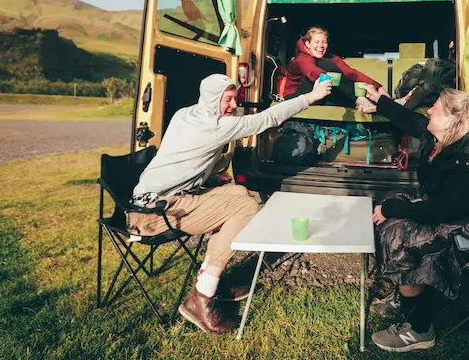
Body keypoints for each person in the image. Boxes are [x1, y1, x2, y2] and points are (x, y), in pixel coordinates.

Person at [127, 73, 331, 334]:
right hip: (153, 216)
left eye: (235, 98)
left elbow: (181, 158)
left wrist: (211, 177)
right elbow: (267, 119)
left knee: (237, 194)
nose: (234, 106)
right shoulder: (217, 125)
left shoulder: (184, 114)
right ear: (212, 100)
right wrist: (311, 96)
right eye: (228, 99)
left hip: (147, 203)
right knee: (247, 208)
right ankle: (201, 297)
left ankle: (213, 278)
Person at [363, 85, 469, 352]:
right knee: (396, 208)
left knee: (406, 237)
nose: (429, 110)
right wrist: (381, 102)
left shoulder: (466, 160)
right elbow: (412, 121)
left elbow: (441, 212)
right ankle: (406, 293)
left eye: (435, 107)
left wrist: (391, 210)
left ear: (450, 120)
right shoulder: (444, 137)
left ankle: (419, 328)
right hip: (462, 213)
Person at [282, 26, 387, 113]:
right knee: (326, 65)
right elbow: (312, 71)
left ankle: (380, 104)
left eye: (324, 42)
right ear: (308, 44)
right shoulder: (302, 58)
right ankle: (358, 100)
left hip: (319, 94)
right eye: (317, 42)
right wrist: (330, 77)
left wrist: (377, 86)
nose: (321, 46)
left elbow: (350, 73)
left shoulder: (331, 57)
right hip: (295, 98)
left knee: (336, 87)